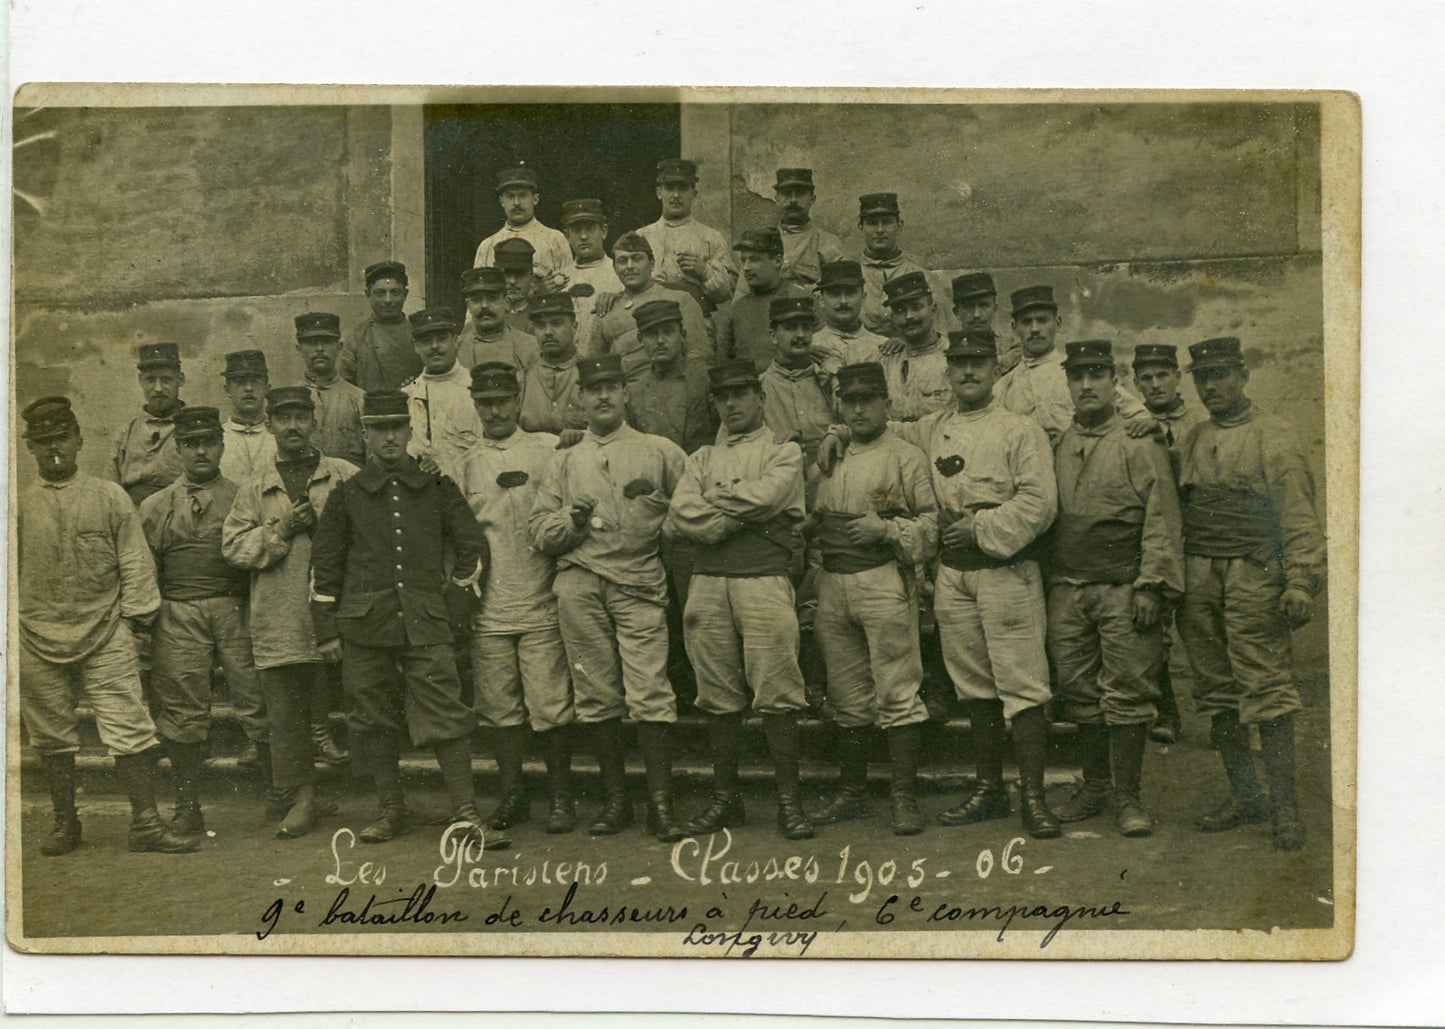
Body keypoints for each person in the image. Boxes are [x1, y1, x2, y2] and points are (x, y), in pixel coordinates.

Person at [819, 330, 1061, 838]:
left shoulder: (1021, 429)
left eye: (979, 362)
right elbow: (883, 427)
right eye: (959, 364)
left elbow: (1039, 504)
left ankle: (1033, 798)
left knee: (1021, 684)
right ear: (947, 373)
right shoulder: (933, 427)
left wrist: (983, 527)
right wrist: (837, 430)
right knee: (973, 684)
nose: (969, 372)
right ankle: (989, 788)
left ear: (996, 369)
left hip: (1006, 568)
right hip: (954, 574)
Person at [310, 389, 509, 849]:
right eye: (378, 429)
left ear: (409, 430)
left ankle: (465, 814)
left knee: (446, 715)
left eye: (396, 427)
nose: (389, 438)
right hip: (364, 626)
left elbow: (472, 549)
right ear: (365, 435)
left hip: (425, 623)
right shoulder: (348, 495)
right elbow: (324, 566)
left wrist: (453, 609)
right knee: (372, 717)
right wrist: (326, 629)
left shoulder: (436, 488)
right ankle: (391, 809)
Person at [19, 396, 200, 856]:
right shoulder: (16, 506)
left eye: (61, 439)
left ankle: (145, 823)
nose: (54, 450)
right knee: (50, 734)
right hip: (34, 635)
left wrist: (135, 623)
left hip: (105, 631)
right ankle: (65, 823)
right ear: (30, 449)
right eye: (43, 443)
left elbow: (136, 563)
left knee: (129, 727)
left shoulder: (109, 496)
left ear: (79, 440)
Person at [528, 355, 688, 841]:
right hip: (579, 582)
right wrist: (573, 522)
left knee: (650, 690)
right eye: (593, 388)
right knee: (596, 694)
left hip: (639, 582)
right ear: (580, 397)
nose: (602, 396)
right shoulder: (564, 460)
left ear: (625, 393)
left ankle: (660, 806)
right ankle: (616, 801)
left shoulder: (660, 451)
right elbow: (539, 531)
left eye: (611, 387)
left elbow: (691, 513)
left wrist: (659, 520)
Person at [1176, 337, 1326, 852]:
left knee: (1266, 687)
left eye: (1220, 374)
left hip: (1254, 574)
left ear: (1242, 375)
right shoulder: (1192, 439)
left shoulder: (1275, 435)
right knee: (1216, 687)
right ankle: (1246, 794)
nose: (1211, 386)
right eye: (1202, 377)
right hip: (1200, 577)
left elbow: (1299, 516)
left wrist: (1302, 579)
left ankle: (1285, 805)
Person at [664, 359, 814, 840]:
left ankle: (789, 802)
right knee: (717, 694)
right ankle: (726, 800)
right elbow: (683, 511)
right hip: (708, 582)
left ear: (759, 396)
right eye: (723, 395)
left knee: (777, 691)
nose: (732, 403)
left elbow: (769, 497)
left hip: (763, 579)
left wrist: (718, 509)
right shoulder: (701, 457)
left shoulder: (783, 450)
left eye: (741, 393)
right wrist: (742, 515)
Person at [1046, 341, 1184, 838]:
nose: (1086, 385)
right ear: (1067, 384)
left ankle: (1129, 797)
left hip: (1124, 589)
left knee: (1126, 689)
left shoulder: (1138, 441)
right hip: (1068, 587)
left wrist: (1152, 586)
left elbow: (1162, 518)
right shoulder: (1059, 443)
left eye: (1096, 375)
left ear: (1113, 382)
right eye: (1077, 376)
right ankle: (1096, 785)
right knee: (1079, 690)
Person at [222, 387, 358, 838]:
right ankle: (302, 798)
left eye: (301, 416)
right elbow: (235, 549)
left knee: (355, 703)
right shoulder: (255, 486)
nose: (293, 425)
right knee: (286, 714)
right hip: (279, 613)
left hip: (338, 615)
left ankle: (378, 797)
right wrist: (283, 528)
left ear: (313, 420)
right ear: (271, 423)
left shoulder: (342, 475)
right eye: (283, 418)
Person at [806, 362, 935, 836]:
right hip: (834, 583)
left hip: (883, 578)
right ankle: (854, 793)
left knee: (898, 690)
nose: (859, 408)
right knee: (847, 695)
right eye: (850, 400)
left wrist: (888, 529)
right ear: (839, 405)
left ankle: (904, 797)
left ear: (887, 403)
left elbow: (933, 524)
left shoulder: (906, 456)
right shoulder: (829, 456)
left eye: (868, 399)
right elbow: (811, 518)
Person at [456, 362, 576, 833]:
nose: (495, 410)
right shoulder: (465, 463)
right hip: (489, 605)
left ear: (517, 399)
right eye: (485, 402)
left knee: (549, 705)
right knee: (498, 706)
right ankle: (512, 796)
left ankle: (562, 798)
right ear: (475, 404)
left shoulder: (548, 450)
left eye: (503, 400)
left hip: (540, 598)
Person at [139, 405, 266, 835]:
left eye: (208, 442)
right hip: (178, 612)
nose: (200, 452)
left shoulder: (243, 495)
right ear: (178, 449)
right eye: (190, 444)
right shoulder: (157, 505)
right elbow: (145, 567)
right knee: (182, 706)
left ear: (221, 445)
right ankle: (187, 803)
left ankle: (278, 795)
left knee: (255, 695)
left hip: (234, 607)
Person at [1132, 341, 1208, 744]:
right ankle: (1167, 713)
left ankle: (1226, 719)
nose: (1156, 384)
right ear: (1135, 383)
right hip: (1157, 535)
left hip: (1196, 536)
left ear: (1178, 377)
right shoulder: (1131, 420)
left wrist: (1162, 438)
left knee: (1204, 629)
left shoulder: (1199, 419)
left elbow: (1197, 470)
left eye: (1163, 375)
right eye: (1146, 378)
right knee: (1153, 631)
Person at [993, 285, 1154, 446]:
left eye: (1042, 320)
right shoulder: (1003, 387)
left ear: (1057, 323)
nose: (1035, 329)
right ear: (1015, 328)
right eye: (1027, 322)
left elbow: (1138, 415)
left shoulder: (1078, 374)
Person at [587, 232, 709, 380]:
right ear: (615, 268)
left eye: (637, 259)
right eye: (622, 261)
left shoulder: (680, 299)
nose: (629, 266)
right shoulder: (607, 309)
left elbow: (698, 354)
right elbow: (595, 364)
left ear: (651, 264)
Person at [636, 158, 736, 313]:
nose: (676, 195)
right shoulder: (642, 236)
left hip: (696, 322)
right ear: (659, 193)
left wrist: (705, 272)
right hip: (650, 323)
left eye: (683, 188)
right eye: (669, 188)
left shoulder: (711, 237)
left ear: (694, 194)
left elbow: (728, 292)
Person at [625, 299, 717, 455]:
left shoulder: (708, 379)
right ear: (640, 339)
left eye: (668, 332)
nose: (660, 341)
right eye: (652, 334)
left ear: (682, 335)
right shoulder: (635, 392)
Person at [402, 307, 483, 480]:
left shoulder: (478, 390)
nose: (435, 347)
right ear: (416, 346)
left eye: (441, 339)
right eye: (426, 341)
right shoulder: (407, 395)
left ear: (455, 341)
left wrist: (445, 466)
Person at [759, 295, 836, 474]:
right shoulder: (758, 388)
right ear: (773, 336)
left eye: (806, 328)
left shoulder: (829, 382)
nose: (800, 335)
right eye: (791, 328)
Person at [716, 228, 808, 372]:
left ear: (777, 261)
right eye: (743, 260)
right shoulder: (738, 308)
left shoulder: (801, 297)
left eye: (754, 259)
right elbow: (723, 359)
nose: (746, 268)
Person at [473, 164, 572, 289]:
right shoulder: (487, 246)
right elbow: (479, 293)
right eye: (510, 196)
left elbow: (568, 289)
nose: (516, 203)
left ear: (535, 199)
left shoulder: (555, 239)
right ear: (502, 201)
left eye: (522, 195)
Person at [112, 342, 187, 505]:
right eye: (151, 380)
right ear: (141, 381)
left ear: (180, 380)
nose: (158, 388)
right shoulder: (126, 432)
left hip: (180, 513)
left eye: (166, 380)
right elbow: (113, 491)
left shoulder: (193, 427)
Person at [878, 271, 953, 420]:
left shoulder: (954, 356)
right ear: (892, 318)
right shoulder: (885, 362)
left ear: (933, 309)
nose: (909, 316)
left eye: (916, 307)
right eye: (900, 310)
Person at [855, 193, 931, 337]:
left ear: (899, 225)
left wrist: (904, 340)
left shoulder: (920, 275)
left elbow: (938, 328)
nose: (880, 230)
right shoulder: (849, 276)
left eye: (887, 222)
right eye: (872, 223)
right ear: (860, 226)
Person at [340, 261, 422, 393]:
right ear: (368, 294)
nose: (388, 300)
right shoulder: (356, 336)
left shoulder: (419, 333)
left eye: (395, 292)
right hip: (369, 410)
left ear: (405, 295)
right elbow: (344, 383)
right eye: (380, 293)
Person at [296, 312, 367, 467]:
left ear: (339, 347)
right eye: (312, 342)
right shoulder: (291, 399)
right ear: (299, 349)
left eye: (327, 342)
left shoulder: (359, 399)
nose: (320, 349)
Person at [518, 291, 587, 435]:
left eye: (557, 323)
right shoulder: (524, 377)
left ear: (574, 326)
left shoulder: (589, 374)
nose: (548, 332)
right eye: (541, 326)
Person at [561, 197, 624, 346]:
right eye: (576, 230)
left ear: (604, 231)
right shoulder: (560, 279)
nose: (583, 237)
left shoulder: (620, 274)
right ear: (567, 236)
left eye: (589, 229)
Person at [810, 259, 886, 380]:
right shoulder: (810, 347)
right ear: (821, 300)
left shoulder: (883, 347)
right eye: (834, 294)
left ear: (863, 297)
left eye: (851, 293)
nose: (843, 301)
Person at [770, 167, 844, 291]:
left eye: (800, 193)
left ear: (812, 199)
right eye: (787, 193)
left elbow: (838, 290)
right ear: (777, 199)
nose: (793, 200)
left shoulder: (829, 242)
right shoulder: (765, 241)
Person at [456, 266, 541, 372]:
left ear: (506, 303)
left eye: (492, 298)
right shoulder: (455, 349)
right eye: (476, 300)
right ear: (468, 305)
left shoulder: (530, 348)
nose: (484, 306)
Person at [218, 349, 278, 485]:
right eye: (240, 382)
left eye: (255, 382)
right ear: (227, 390)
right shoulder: (217, 439)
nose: (249, 388)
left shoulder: (279, 437)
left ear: (267, 388)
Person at [951, 271, 1022, 376]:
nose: (976, 314)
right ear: (956, 312)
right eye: (969, 307)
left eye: (984, 305)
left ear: (994, 308)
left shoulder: (1012, 349)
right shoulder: (947, 350)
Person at [493, 237, 542, 334]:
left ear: (532, 279)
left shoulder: (540, 320)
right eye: (506, 274)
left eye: (520, 274)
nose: (512, 281)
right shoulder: (485, 319)